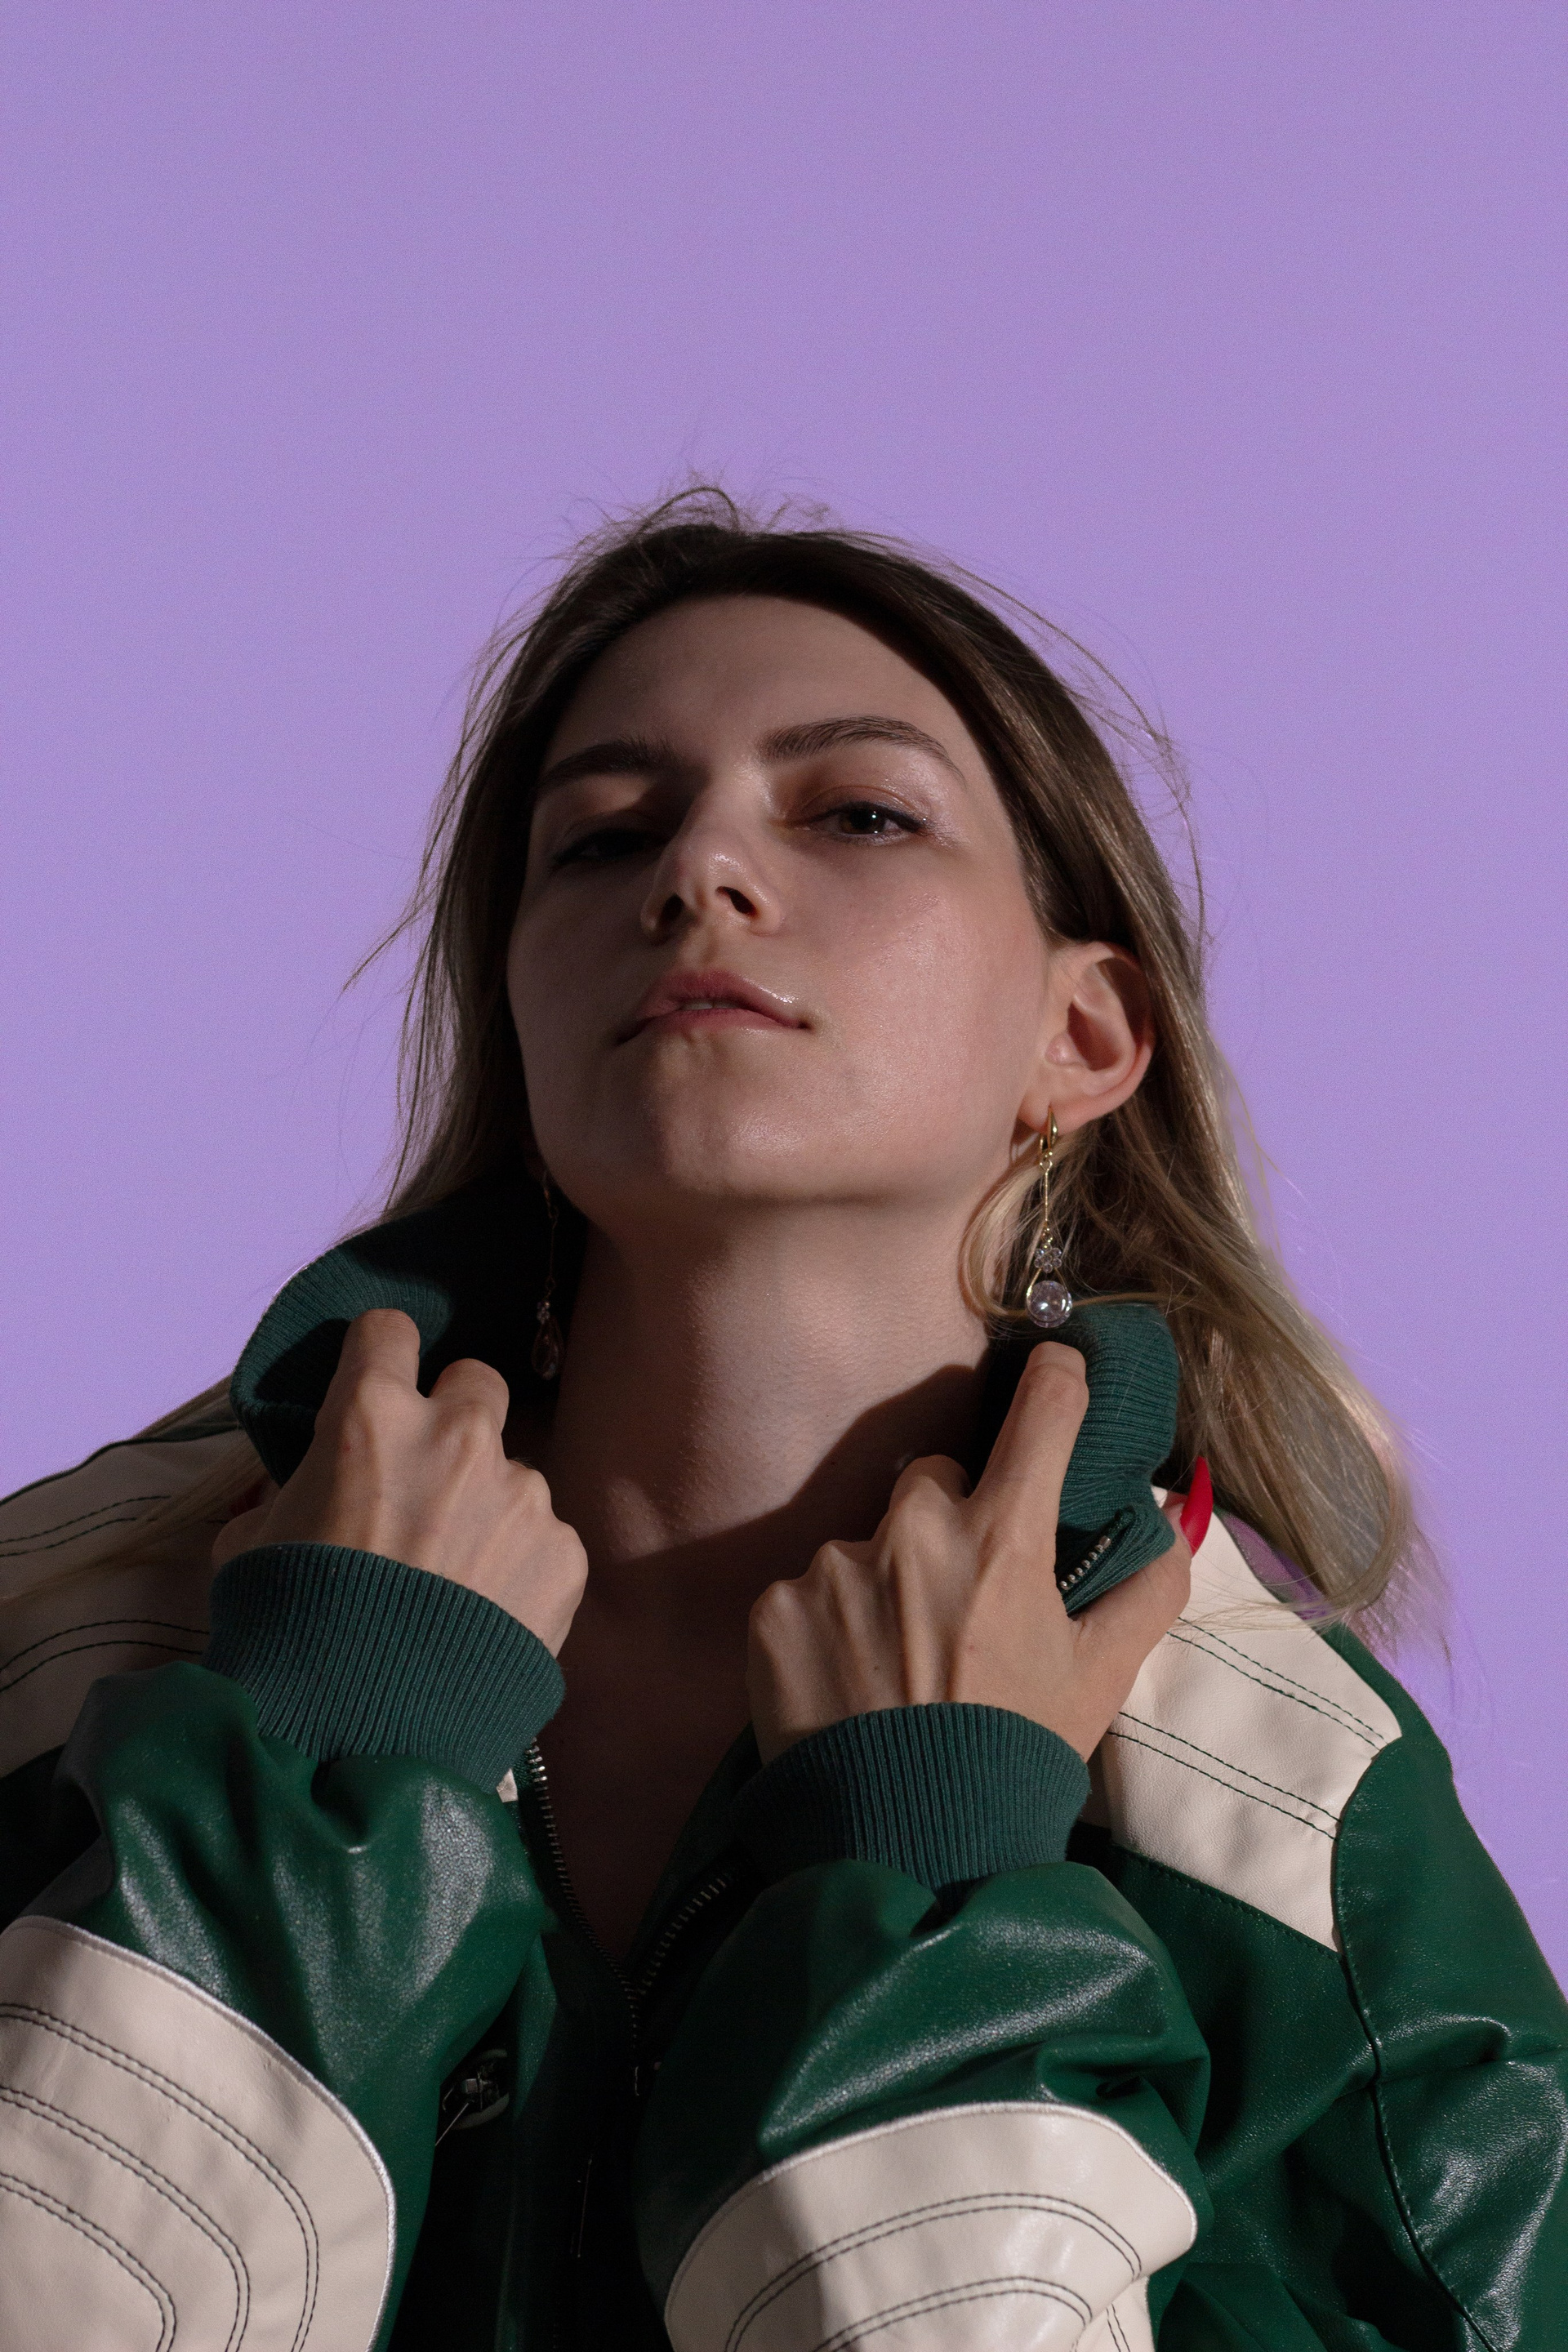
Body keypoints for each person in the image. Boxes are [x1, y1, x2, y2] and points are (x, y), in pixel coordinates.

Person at [0, 491, 1562, 2352]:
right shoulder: (63, 1634)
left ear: (1082, 1038)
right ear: (517, 1012)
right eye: (603, 837)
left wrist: (939, 1855)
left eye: (860, 814)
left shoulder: (1295, 1815)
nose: (700, 871)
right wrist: (327, 1755)